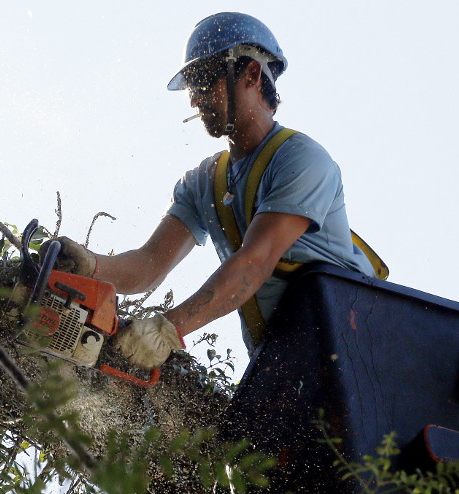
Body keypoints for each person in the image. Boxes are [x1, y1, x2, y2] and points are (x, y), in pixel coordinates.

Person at [53, 12, 375, 369]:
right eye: (192, 87)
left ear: (252, 74)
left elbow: (255, 262)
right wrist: (91, 266)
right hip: (280, 368)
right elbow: (148, 266)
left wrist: (168, 328)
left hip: (351, 353)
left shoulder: (300, 159)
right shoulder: (204, 181)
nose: (195, 100)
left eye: (205, 80)